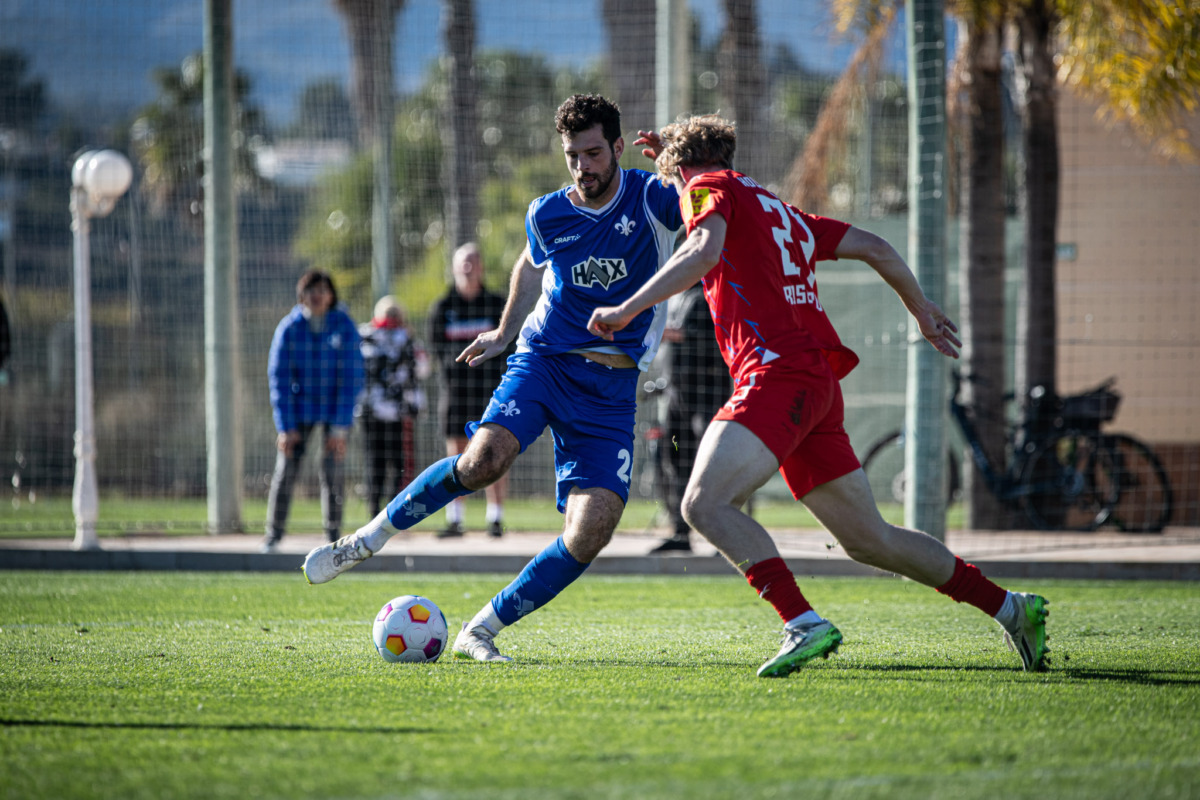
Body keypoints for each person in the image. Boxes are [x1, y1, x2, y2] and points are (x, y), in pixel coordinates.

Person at [587, 114, 1049, 676]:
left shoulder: (704, 187)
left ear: (682, 170)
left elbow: (703, 250)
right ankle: (1011, 607)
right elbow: (876, 246)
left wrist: (626, 308)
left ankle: (802, 621)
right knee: (870, 540)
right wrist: (921, 309)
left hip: (776, 375)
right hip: (815, 383)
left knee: (703, 504)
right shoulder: (777, 209)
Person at [302, 94, 684, 664]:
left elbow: (715, 211)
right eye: (572, 156)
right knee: (482, 462)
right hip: (545, 361)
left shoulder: (654, 199)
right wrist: (505, 333)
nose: (582, 167)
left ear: (619, 147)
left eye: (593, 153)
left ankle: (479, 630)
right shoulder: (547, 213)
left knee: (592, 530)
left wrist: (681, 164)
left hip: (611, 390)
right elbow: (530, 263)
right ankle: (367, 539)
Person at [263, 269, 364, 553]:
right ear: (301, 296)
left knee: (333, 469)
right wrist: (286, 427)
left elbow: (353, 377)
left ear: (331, 296)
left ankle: (333, 538)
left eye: (323, 290)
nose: (317, 296)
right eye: (311, 290)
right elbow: (279, 379)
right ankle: (273, 535)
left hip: (334, 409)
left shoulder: (344, 326)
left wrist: (340, 427)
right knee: (286, 468)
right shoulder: (289, 328)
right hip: (300, 409)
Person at [428, 243, 511, 538]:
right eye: (463, 261)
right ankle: (455, 520)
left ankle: (496, 519)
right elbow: (437, 349)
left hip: (492, 391)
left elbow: (509, 344)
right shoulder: (442, 307)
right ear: (453, 267)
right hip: (456, 393)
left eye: (473, 261)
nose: (468, 267)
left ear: (481, 267)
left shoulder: (496, 304)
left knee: (495, 451)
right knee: (457, 454)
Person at [648, 282, 730, 552]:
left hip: (707, 397)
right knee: (674, 457)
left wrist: (671, 334)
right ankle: (681, 533)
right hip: (676, 397)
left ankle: (724, 535)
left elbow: (713, 337)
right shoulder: (675, 295)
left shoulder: (711, 294)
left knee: (712, 464)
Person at [357, 295, 430, 519]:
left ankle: (381, 512)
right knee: (390, 463)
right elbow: (423, 369)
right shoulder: (403, 339)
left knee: (383, 462)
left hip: (383, 412)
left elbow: (422, 369)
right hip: (387, 412)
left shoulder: (365, 338)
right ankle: (387, 513)